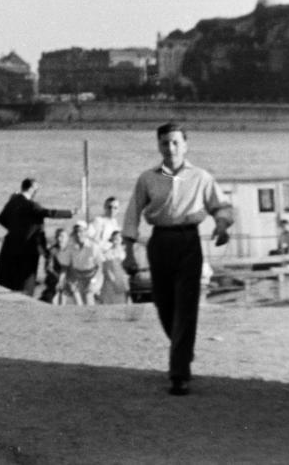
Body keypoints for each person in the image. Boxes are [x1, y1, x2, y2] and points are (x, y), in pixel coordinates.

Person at [122, 121, 233, 396]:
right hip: (159, 242)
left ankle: (179, 373)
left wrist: (221, 225)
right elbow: (132, 214)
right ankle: (182, 350)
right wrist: (128, 252)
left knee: (186, 305)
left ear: (185, 145)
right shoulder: (147, 178)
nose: (170, 148)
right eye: (164, 143)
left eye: (175, 142)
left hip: (188, 242)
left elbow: (220, 205)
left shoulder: (201, 177)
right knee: (163, 305)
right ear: (158, 146)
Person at [0, 179, 73, 295]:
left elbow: (1, 218)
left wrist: (15, 230)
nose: (36, 191)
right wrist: (70, 213)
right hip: (28, 245)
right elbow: (48, 213)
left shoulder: (13, 201)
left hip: (11, 243)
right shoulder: (31, 205)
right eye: (36, 189)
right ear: (30, 188)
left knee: (8, 272)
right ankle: (25, 294)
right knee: (26, 274)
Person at [56, 222, 100, 305]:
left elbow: (100, 268)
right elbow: (65, 266)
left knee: (88, 294)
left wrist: (93, 282)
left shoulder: (93, 247)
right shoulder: (71, 247)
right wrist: (61, 281)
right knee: (77, 300)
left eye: (81, 231)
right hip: (79, 277)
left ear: (86, 232)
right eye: (76, 232)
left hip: (95, 276)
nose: (79, 234)